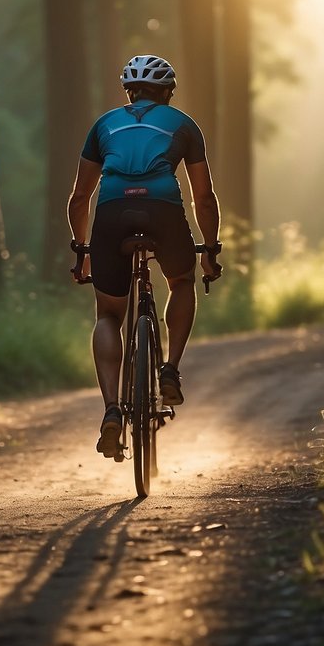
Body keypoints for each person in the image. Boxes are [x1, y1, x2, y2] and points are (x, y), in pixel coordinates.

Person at [67, 54, 222, 458]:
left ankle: (111, 411)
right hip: (164, 213)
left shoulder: (103, 125)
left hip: (112, 214)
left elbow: (80, 197)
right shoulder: (185, 125)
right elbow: (203, 198)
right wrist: (210, 249)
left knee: (107, 315)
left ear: (128, 91)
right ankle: (169, 368)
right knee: (181, 281)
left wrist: (81, 249)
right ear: (168, 92)